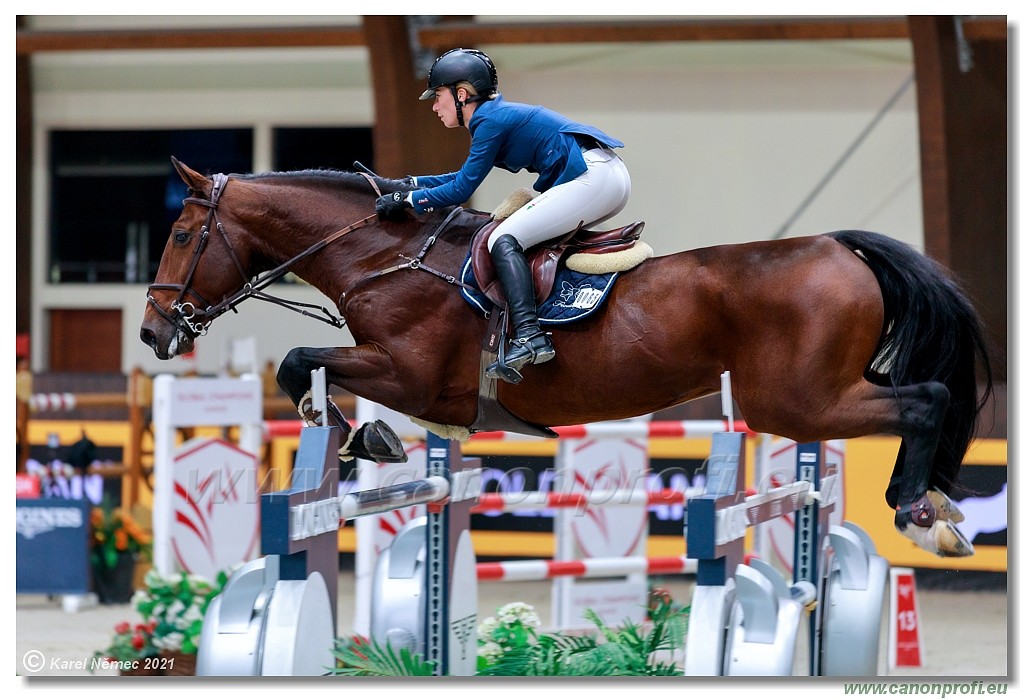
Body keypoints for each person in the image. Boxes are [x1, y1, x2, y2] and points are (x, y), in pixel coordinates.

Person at [375, 48, 631, 383]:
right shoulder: (491, 118)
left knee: (502, 238)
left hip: (593, 177)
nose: (435, 106)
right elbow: (459, 176)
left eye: (438, 96)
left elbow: (460, 191)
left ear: (461, 94)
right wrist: (407, 185)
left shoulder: (490, 122)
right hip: (602, 175)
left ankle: (529, 334)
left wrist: (409, 200)